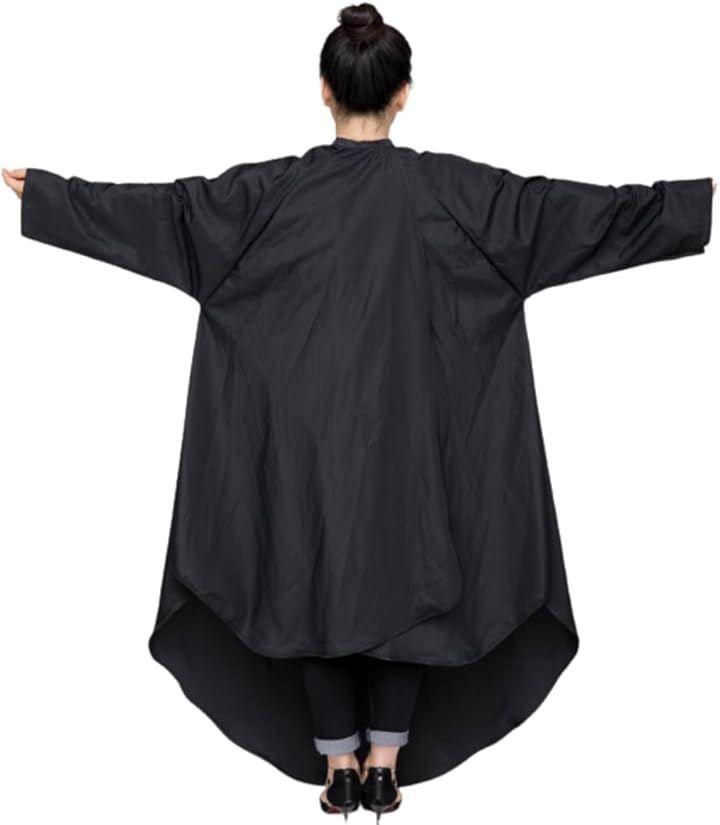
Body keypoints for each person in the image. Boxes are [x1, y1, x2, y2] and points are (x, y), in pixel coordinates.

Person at [3, 2, 715, 821]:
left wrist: (50, 196)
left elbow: (165, 213)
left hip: (305, 453)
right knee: (409, 583)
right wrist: (689, 203)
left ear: (324, 90)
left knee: (310, 584)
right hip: (411, 453)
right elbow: (577, 214)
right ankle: (384, 761)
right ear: (404, 93)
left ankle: (339, 765)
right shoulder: (461, 196)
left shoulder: (266, 197)